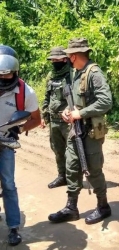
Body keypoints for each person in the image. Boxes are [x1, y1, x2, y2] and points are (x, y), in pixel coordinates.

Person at [48, 38, 112, 225]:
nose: (67, 58)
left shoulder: (94, 73)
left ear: (74, 56)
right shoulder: (78, 73)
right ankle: (71, 207)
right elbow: (77, 101)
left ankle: (103, 206)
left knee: (93, 170)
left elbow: (106, 101)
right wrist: (70, 111)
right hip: (76, 129)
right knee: (72, 165)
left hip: (90, 131)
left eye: (69, 55)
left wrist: (80, 113)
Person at [0, 45, 40, 245]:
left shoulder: (25, 91)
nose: (2, 79)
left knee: (8, 184)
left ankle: (13, 226)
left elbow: (36, 119)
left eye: (6, 75)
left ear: (15, 72)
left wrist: (19, 129)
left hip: (5, 142)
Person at [40, 46, 71, 189]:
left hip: (68, 121)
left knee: (72, 152)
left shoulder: (71, 75)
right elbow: (47, 96)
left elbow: (78, 98)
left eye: (56, 59)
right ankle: (62, 176)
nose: (54, 62)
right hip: (54, 120)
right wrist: (44, 115)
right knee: (57, 150)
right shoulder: (51, 76)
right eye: (52, 60)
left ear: (65, 59)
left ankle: (74, 179)